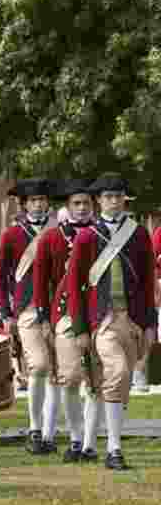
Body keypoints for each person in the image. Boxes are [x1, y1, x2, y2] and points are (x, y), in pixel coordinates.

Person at [67, 173, 155, 470]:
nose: (114, 201)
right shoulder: (87, 236)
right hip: (101, 322)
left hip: (131, 321)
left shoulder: (139, 234)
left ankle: (93, 444)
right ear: (99, 201)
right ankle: (114, 449)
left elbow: (146, 283)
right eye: (108, 197)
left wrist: (150, 324)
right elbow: (74, 285)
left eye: (118, 196)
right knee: (116, 373)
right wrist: (80, 328)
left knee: (119, 381)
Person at [32, 179, 96, 462]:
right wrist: (44, 319)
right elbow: (40, 282)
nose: (82, 209)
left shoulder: (101, 235)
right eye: (76, 204)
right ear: (67, 207)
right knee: (69, 378)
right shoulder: (51, 238)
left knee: (96, 381)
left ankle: (90, 443)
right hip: (65, 313)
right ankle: (75, 437)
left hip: (97, 312)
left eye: (86, 204)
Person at [0, 179, 59, 455]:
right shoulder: (12, 235)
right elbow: (0, 278)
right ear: (24, 205)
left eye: (43, 200)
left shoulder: (59, 230)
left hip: (58, 308)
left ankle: (49, 431)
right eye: (33, 201)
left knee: (59, 373)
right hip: (28, 308)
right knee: (40, 367)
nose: (39, 205)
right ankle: (35, 427)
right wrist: (5, 312)